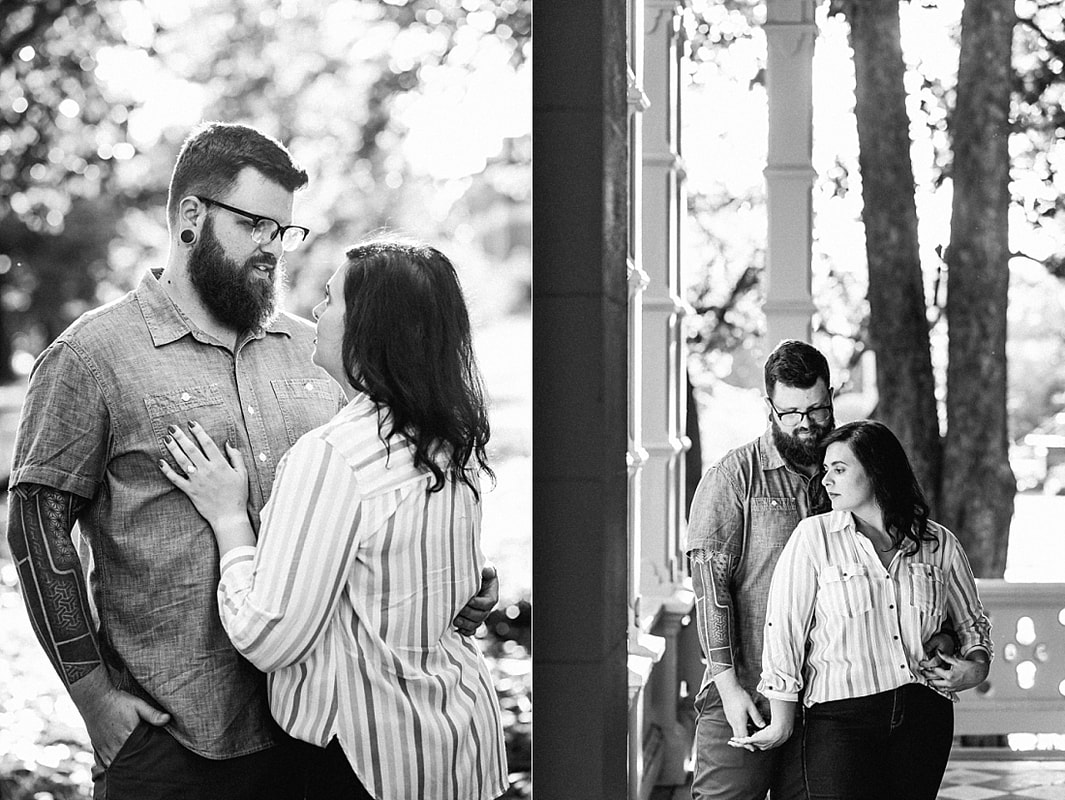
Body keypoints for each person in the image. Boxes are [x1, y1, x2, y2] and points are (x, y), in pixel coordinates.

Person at [6, 123, 497, 800]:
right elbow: (37, 528)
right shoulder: (91, 357)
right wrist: (94, 697)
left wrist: (442, 579)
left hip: (315, 740)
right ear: (190, 217)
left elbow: (380, 499)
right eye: (255, 224)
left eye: (284, 230)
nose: (274, 247)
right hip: (173, 741)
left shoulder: (317, 351)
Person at [158, 240, 509, 800]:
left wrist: (230, 520)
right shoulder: (448, 439)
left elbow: (268, 637)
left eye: (330, 298)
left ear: (370, 328)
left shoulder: (337, 456)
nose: (317, 312)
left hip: (367, 762)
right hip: (457, 742)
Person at [685, 339, 956, 800]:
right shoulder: (733, 478)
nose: (805, 423)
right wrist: (729, 688)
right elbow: (711, 591)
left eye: (816, 408)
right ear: (769, 404)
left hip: (831, 704)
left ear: (832, 395)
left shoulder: (857, 467)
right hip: (749, 688)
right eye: (790, 412)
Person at [736, 419, 992, 800]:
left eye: (839, 470)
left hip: (923, 717)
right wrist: (782, 721)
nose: (826, 481)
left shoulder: (938, 544)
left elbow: (972, 624)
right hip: (840, 721)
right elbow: (784, 631)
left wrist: (975, 667)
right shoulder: (814, 538)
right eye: (826, 470)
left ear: (877, 471)